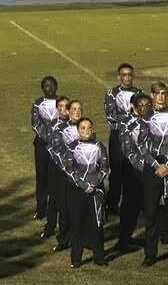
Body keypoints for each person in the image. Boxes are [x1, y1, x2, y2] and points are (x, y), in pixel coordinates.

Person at [138, 80, 168, 266]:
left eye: (164, 93)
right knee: (151, 213)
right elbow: (141, 144)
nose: (161, 96)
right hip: (152, 170)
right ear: (152, 95)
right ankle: (150, 254)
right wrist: (156, 165)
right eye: (158, 93)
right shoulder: (146, 117)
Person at [63, 118, 108, 268]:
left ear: (92, 129)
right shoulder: (71, 147)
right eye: (82, 128)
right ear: (78, 130)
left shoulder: (99, 146)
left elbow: (105, 167)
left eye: (89, 127)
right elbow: (69, 170)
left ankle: (99, 257)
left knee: (97, 225)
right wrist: (83, 185)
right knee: (77, 225)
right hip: (77, 191)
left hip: (95, 191)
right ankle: (76, 259)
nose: (86, 130)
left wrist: (95, 183)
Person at [115, 92, 152, 254]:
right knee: (130, 205)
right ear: (134, 107)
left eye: (146, 105)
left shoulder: (153, 120)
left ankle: (158, 239)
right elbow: (127, 148)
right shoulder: (126, 122)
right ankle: (124, 240)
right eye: (140, 105)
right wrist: (143, 166)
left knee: (153, 205)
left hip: (151, 169)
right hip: (132, 170)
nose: (143, 108)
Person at [104, 63, 141, 215]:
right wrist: (130, 117)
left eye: (129, 75)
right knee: (116, 170)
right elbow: (110, 115)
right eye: (124, 75)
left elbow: (143, 114)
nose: (127, 78)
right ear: (119, 77)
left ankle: (130, 203)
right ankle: (112, 204)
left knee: (132, 170)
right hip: (117, 136)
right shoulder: (112, 93)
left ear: (133, 76)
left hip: (134, 137)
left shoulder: (139, 93)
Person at [31, 75, 58, 224]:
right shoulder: (37, 104)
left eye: (52, 85)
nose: (50, 88)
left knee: (56, 177)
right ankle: (40, 209)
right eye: (47, 85)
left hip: (58, 146)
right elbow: (36, 124)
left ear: (56, 86)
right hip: (42, 145)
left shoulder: (62, 102)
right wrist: (49, 138)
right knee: (41, 177)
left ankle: (56, 208)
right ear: (42, 88)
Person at [47, 96, 71, 251]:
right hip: (58, 168)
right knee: (59, 202)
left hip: (72, 169)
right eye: (60, 106)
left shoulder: (76, 124)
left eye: (66, 106)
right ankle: (61, 238)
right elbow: (52, 148)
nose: (64, 109)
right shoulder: (53, 125)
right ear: (57, 109)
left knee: (70, 204)